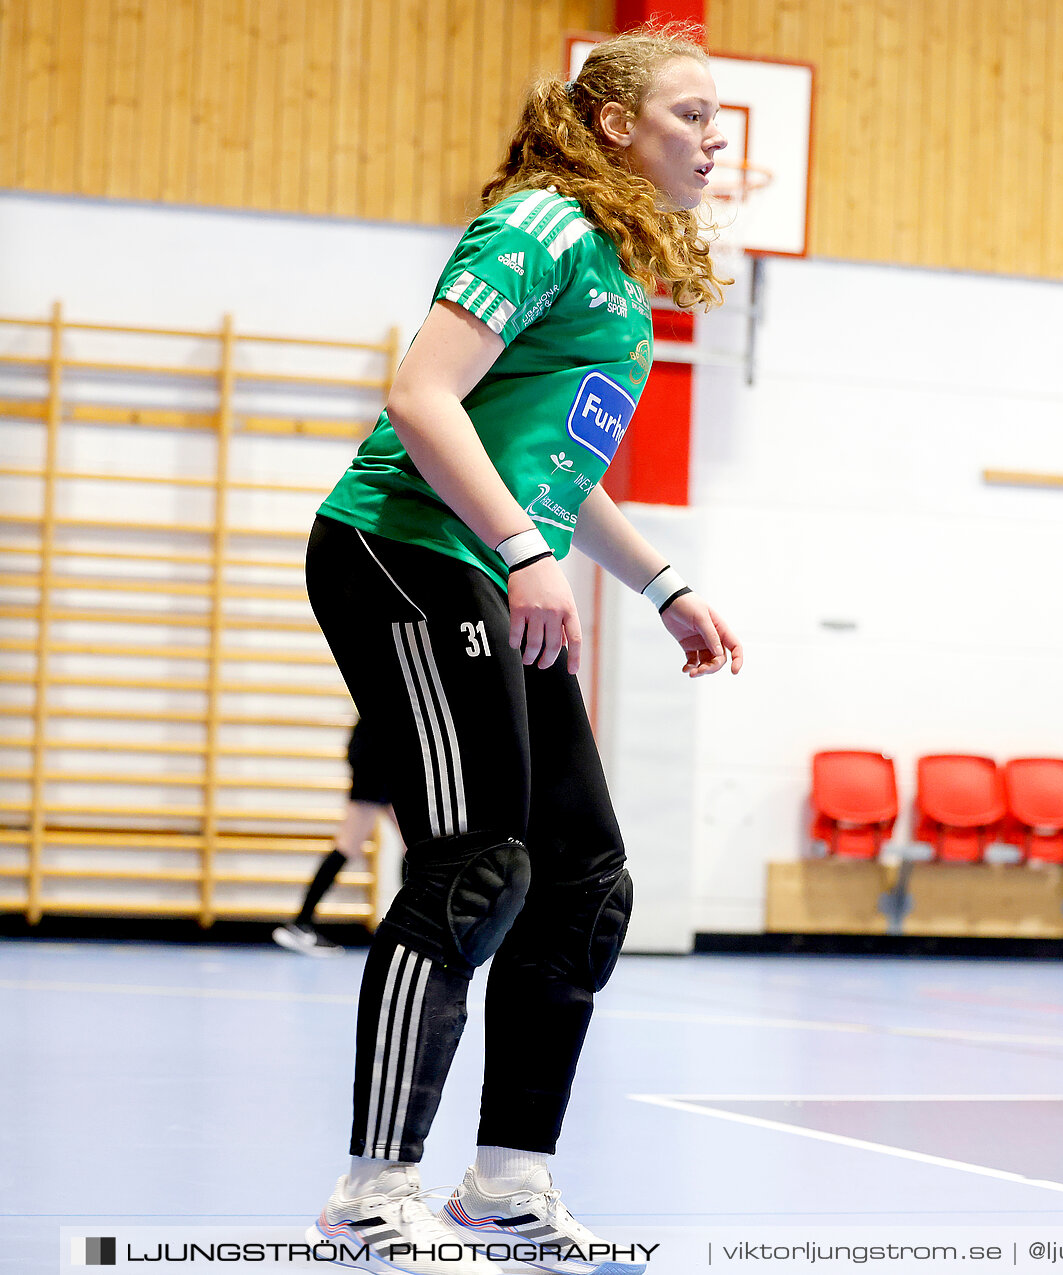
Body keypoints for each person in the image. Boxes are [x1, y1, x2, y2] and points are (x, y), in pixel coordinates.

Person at [302, 23, 740, 1275]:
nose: (715, 139)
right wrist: (520, 550)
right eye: (691, 114)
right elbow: (422, 396)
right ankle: (371, 1191)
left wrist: (662, 583)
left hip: (489, 563)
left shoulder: (618, 265)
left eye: (720, 120)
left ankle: (507, 1186)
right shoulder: (541, 223)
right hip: (404, 548)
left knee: (585, 878)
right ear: (616, 127)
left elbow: (555, 465)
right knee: (474, 865)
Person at [273, 721, 392, 957]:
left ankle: (301, 923)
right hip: (377, 759)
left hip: (379, 759)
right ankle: (301, 923)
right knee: (349, 845)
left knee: (417, 847)